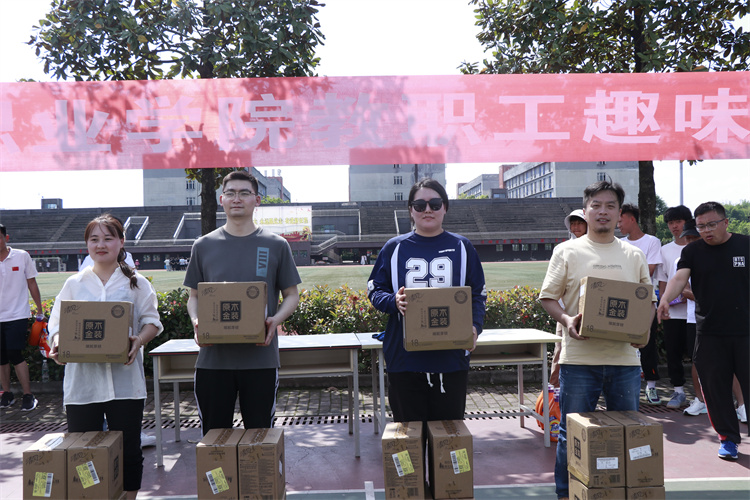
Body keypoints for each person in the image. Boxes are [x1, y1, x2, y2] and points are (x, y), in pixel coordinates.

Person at [539, 180, 655, 500]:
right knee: (571, 434)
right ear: (585, 210)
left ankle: (625, 492)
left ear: (620, 214)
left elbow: (648, 300)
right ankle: (567, 493)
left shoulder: (633, 254)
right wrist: (566, 320)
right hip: (579, 361)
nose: (603, 212)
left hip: (624, 362)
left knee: (628, 432)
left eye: (610, 206)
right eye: (596, 205)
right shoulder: (566, 251)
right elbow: (548, 297)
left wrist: (643, 330)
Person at [48, 214, 163, 499]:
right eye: (94, 239)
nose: (101, 245)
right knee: (82, 451)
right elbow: (56, 325)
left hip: (125, 383)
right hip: (82, 385)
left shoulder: (136, 283)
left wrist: (138, 340)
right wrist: (59, 343)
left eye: (108, 238)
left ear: (121, 242)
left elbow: (152, 322)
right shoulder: (74, 284)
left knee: (129, 451)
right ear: (86, 244)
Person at [184, 170, 301, 435]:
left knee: (260, 439)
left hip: (260, 359)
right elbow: (194, 297)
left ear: (257, 200)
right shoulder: (203, 246)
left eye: (244, 193)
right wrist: (197, 321)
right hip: (214, 361)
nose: (237, 199)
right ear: (222, 199)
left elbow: (291, 294)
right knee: (214, 440)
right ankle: (219, 468)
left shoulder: (276, 245)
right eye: (231, 193)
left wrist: (275, 320)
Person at [367, 178, 486, 423]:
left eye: (435, 204)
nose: (428, 210)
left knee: (448, 435)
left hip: (451, 358)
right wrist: (393, 301)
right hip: (404, 359)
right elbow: (375, 290)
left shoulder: (462, 247)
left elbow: (478, 294)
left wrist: (474, 327)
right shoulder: (393, 248)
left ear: (445, 207)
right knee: (410, 436)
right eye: (420, 205)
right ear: (411, 210)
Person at [658, 201, 749, 461]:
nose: (706, 230)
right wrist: (665, 299)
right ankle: (728, 439)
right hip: (710, 333)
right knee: (715, 390)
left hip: (746, 331)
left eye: (711, 224)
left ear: (725, 222)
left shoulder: (745, 245)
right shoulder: (692, 251)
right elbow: (679, 278)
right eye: (701, 226)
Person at [618, 203, 664, 406]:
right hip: (623, 300)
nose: (618, 225)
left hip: (645, 301)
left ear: (632, 219)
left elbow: (649, 271)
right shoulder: (618, 243)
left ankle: (651, 386)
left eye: (620, 220)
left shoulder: (652, 242)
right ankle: (625, 387)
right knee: (622, 343)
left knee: (647, 343)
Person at [654, 205, 694, 409]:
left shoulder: (699, 246)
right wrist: (663, 305)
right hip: (674, 312)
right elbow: (663, 281)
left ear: (688, 222)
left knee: (699, 355)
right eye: (670, 223)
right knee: (673, 353)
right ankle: (678, 391)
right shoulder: (665, 250)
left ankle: (704, 396)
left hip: (696, 312)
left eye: (678, 221)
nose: (674, 226)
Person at [0, 224, 43, 411]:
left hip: (17, 314)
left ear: (6, 238)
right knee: (1, 357)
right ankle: (7, 394)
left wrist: (39, 310)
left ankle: (28, 395)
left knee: (14, 353)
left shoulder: (21, 256)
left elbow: (32, 283)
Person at [550, 209, 588, 387]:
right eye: (573, 223)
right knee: (560, 353)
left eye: (579, 223)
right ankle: (554, 392)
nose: (576, 226)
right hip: (566, 310)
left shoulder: (598, 249)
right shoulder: (561, 249)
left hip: (590, 310)